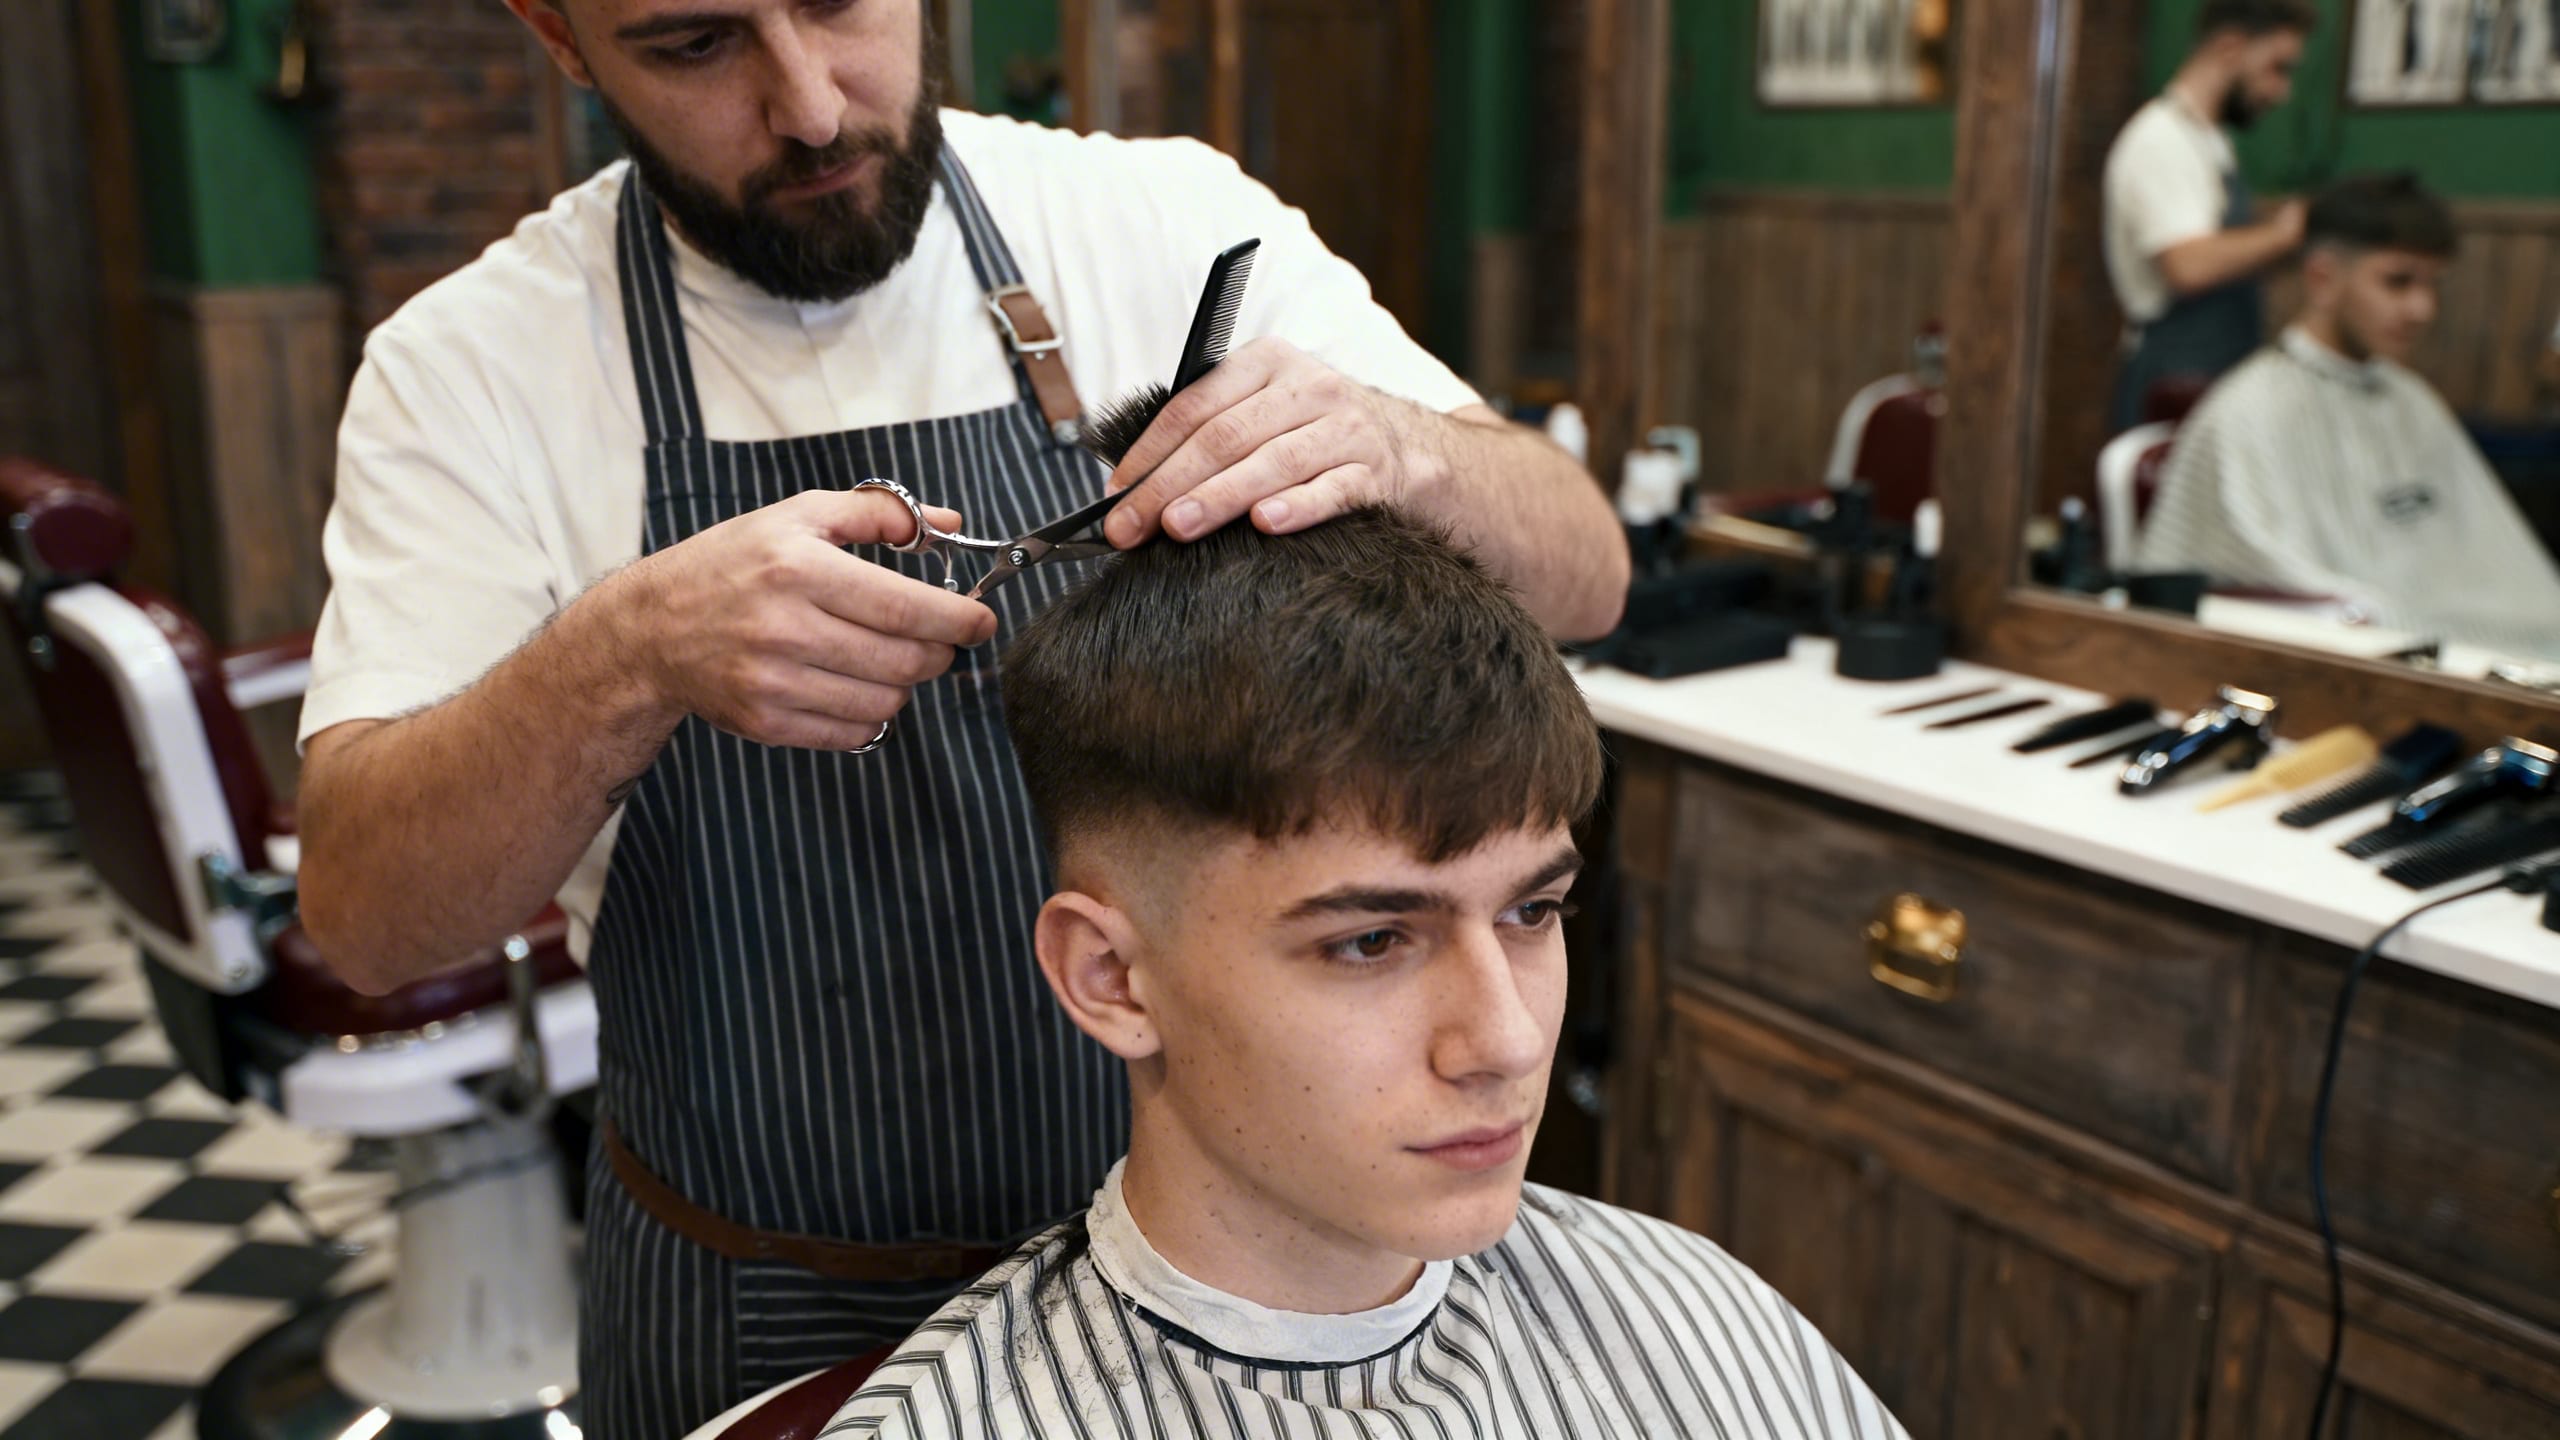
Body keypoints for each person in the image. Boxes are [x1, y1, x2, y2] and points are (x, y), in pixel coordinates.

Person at [289, 1, 1629, 1431]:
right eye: (696, 46)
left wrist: (1403, 446)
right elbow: (370, 921)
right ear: (560, 38)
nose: (810, 104)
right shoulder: (473, 371)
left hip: (1220, 1294)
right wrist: (620, 660)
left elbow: (1589, 570)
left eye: (837, 5)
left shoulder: (1153, 220)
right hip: (758, 1304)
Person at [813, 495, 1908, 1439]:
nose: (1509, 1041)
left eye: (1532, 910)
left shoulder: (1697, 1318)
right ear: (1111, 978)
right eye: (1371, 941)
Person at [2135, 173, 2560, 659]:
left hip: (2475, 638)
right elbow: (2245, 570)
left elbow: (2502, 560)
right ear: (2322, 279)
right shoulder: (2248, 408)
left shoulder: (2410, 397)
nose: (2423, 308)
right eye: (2398, 281)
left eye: (2431, 284)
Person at [2102, 0, 2316, 430]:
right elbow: (2187, 266)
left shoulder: (2211, 143)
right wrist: (2285, 234)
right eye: (2277, 67)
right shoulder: (2160, 140)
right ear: (2230, 48)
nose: (2281, 91)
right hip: (2175, 377)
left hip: (2219, 369)